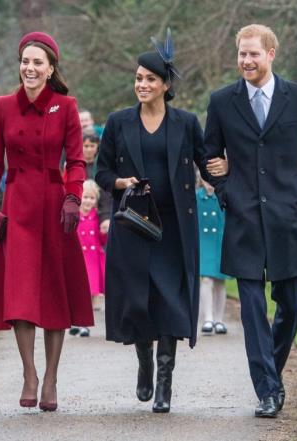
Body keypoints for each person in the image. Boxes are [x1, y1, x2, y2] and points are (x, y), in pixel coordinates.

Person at [203, 24, 297, 418]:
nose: (246, 61)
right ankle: (268, 389)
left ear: (271, 54)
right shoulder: (222, 102)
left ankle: (268, 373)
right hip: (242, 220)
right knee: (252, 307)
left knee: (291, 304)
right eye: (242, 54)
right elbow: (209, 158)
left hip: (287, 219)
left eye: (254, 54)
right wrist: (225, 193)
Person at [95, 30, 214, 413]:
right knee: (138, 302)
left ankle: (165, 382)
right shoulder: (117, 123)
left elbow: (206, 162)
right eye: (138, 78)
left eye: (149, 79)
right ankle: (144, 361)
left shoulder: (185, 123)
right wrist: (119, 182)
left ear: (165, 84)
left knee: (171, 302)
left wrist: (224, 174)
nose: (141, 85)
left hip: (175, 228)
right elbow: (101, 172)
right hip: (133, 226)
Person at [0, 31, 94, 412]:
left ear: (50, 68)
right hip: (18, 208)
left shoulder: (66, 106)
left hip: (55, 207)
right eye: (25, 61)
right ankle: (29, 373)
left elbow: (76, 160)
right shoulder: (3, 107)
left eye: (37, 62)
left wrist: (74, 197)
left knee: (54, 293)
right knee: (21, 294)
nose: (29, 67)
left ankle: (52, 377)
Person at [71, 179, 106, 337]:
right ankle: (76, 322)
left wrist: (104, 232)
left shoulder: (97, 217)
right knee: (78, 292)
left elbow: (102, 240)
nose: (88, 201)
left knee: (89, 294)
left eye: (92, 198)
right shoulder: (74, 216)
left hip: (93, 260)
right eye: (85, 197)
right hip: (79, 259)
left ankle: (84, 324)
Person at [196, 178, 230, 335]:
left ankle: (219, 319)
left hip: (221, 242)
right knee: (206, 279)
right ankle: (208, 318)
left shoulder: (223, 195)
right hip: (204, 242)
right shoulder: (197, 197)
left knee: (219, 281)